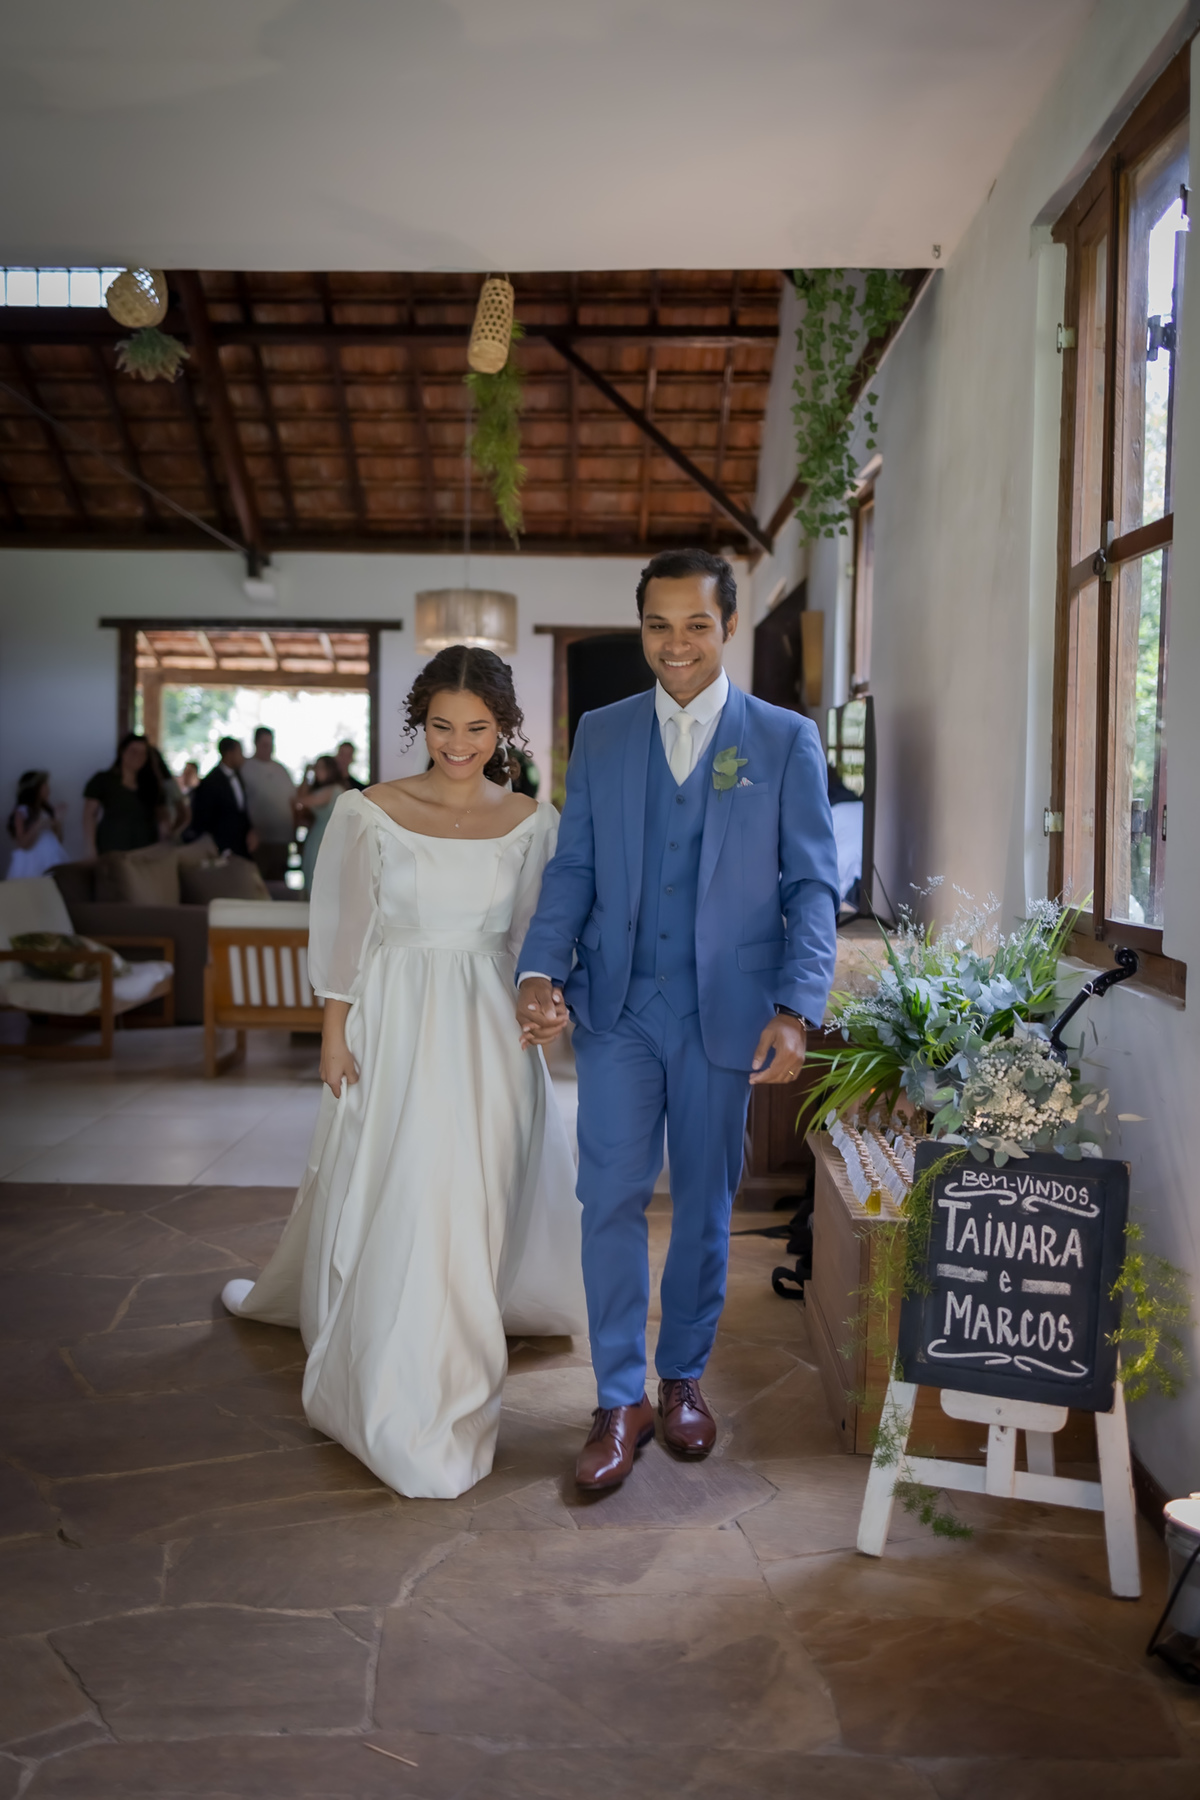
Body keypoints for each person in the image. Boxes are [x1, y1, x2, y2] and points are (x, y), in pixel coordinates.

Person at [220, 645, 586, 1500]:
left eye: (477, 728)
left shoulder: (534, 821)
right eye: (442, 726)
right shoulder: (369, 811)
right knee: (408, 1188)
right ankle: (401, 1386)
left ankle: (459, 1363)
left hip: (490, 1027)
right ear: (420, 722)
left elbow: (537, 938)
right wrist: (333, 1030)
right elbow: (347, 929)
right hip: (392, 1019)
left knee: (475, 1197)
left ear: (504, 729)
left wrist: (549, 1003)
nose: (458, 744)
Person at [517, 547, 840, 1491]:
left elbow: (812, 885)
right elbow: (575, 865)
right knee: (609, 1197)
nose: (676, 643)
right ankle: (619, 1396)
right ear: (642, 628)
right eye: (658, 625)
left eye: (697, 624)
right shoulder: (603, 732)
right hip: (617, 1005)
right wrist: (541, 968)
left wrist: (796, 1005)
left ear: (728, 626)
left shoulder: (784, 740)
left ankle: (683, 1378)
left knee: (705, 1199)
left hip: (727, 1012)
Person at [83, 733, 164, 857]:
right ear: (122, 752)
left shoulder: (152, 784)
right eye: (133, 751)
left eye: (143, 753)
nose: (138, 756)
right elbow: (89, 815)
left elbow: (162, 818)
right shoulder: (103, 780)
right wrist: (90, 849)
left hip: (146, 850)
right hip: (112, 849)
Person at [241, 726, 299, 882]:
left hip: (281, 839)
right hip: (259, 840)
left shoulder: (281, 769)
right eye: (265, 745)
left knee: (278, 880)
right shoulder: (245, 768)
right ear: (256, 744)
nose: (269, 749)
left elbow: (293, 801)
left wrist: (294, 830)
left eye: (271, 744)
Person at [186, 738, 258, 860]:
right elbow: (203, 818)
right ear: (229, 754)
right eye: (239, 753)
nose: (243, 757)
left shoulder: (239, 776)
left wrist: (251, 829)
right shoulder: (211, 782)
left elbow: (241, 809)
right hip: (221, 849)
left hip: (242, 847)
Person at [297, 755, 347, 896]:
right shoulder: (328, 789)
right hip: (321, 835)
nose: (317, 771)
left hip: (326, 837)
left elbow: (301, 800)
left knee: (320, 875)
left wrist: (306, 775)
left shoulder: (332, 790)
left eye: (320, 768)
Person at [6, 771, 68, 878]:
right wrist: (39, 823)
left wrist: (58, 822)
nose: (48, 789)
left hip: (50, 859)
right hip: (31, 863)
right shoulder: (22, 812)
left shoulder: (46, 810)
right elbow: (22, 844)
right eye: (45, 785)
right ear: (35, 789)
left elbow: (58, 840)